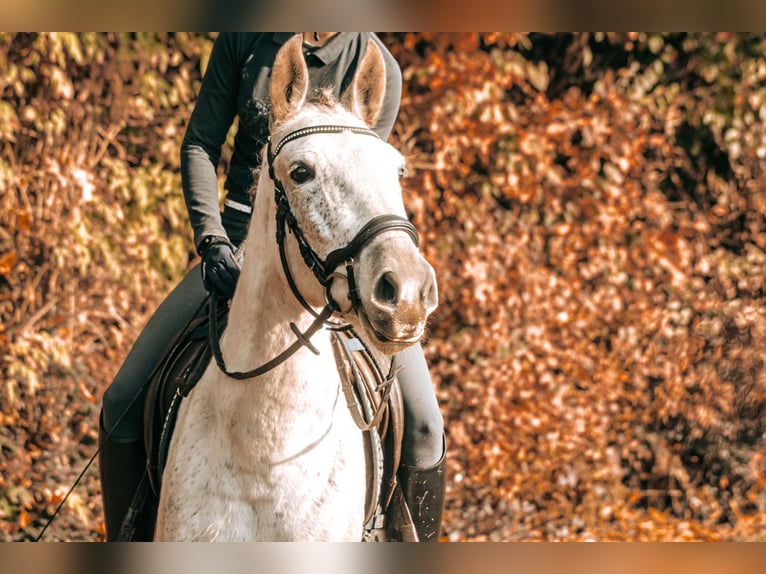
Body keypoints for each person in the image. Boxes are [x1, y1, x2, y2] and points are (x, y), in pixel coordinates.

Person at [99, 32, 445, 542]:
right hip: (242, 244)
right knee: (122, 402)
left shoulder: (378, 67)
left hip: (330, 256)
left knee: (425, 427)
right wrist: (212, 238)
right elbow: (200, 142)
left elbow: (358, 184)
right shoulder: (244, 39)